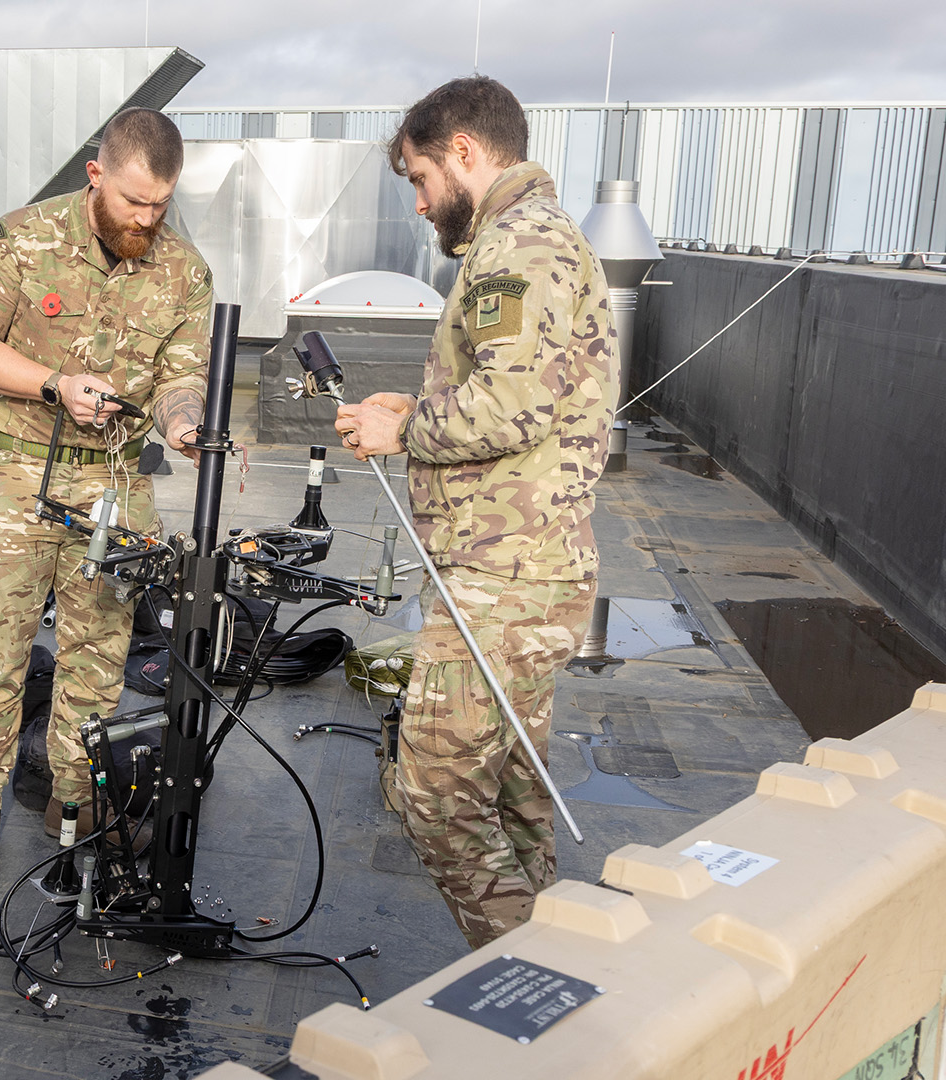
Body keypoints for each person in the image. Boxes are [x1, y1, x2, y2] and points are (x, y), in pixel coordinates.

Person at [334, 76, 617, 948]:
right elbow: (519, 394)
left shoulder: (517, 248)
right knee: (515, 790)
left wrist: (403, 426)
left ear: (463, 151)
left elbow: (512, 407)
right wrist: (417, 404)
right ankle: (551, 960)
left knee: (436, 792)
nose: (419, 204)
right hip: (534, 571)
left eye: (420, 179)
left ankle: (524, 978)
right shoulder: (540, 240)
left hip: (504, 579)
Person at [0, 107, 213, 885]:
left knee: (97, 662)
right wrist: (54, 384)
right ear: (96, 175)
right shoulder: (18, 240)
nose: (147, 219)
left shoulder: (185, 271)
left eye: (160, 204)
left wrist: (185, 421)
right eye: (133, 202)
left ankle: (76, 804)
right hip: (17, 481)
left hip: (118, 487)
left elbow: (181, 373)